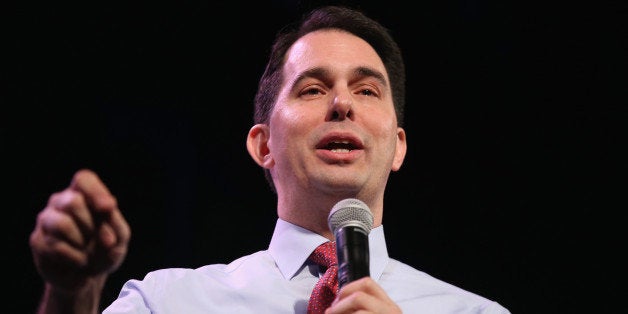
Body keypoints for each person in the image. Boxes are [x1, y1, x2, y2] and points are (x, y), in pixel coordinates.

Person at [29, 5, 511, 314]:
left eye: (366, 90)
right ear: (263, 146)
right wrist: (72, 295)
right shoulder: (167, 302)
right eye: (313, 88)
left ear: (398, 146)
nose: (342, 103)